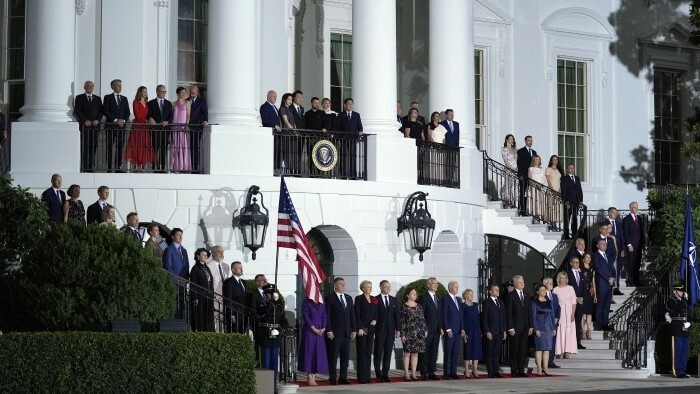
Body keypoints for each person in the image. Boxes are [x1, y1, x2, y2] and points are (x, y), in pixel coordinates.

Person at [256, 283, 290, 394]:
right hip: (265, 336)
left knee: (274, 364)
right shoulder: (261, 305)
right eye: (269, 294)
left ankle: (273, 387)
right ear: (265, 295)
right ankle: (266, 388)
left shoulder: (279, 306)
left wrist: (280, 330)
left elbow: (284, 321)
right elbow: (262, 315)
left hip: (275, 338)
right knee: (265, 364)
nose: (271, 295)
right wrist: (271, 303)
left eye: (272, 293)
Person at [325, 277, 356, 385]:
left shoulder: (348, 298)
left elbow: (352, 315)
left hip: (347, 332)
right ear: (335, 286)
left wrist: (354, 330)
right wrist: (329, 330)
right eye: (341, 284)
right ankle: (332, 377)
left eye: (344, 284)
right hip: (335, 333)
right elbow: (327, 316)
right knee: (333, 356)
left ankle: (343, 377)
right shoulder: (330, 298)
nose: (343, 286)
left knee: (345, 357)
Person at [374, 280, 401, 383]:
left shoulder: (394, 300)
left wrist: (398, 329)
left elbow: (397, 316)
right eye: (386, 287)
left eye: (389, 287)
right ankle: (378, 374)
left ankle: (385, 374)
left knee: (388, 354)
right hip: (379, 331)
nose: (388, 288)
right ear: (381, 287)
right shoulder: (376, 299)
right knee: (378, 353)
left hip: (390, 331)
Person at [506, 275, 533, 377]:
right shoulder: (511, 295)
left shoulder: (527, 295)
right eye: (520, 282)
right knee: (514, 349)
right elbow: (508, 313)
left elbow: (529, 311)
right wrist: (510, 327)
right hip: (515, 328)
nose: (523, 284)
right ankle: (514, 370)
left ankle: (521, 370)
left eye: (523, 282)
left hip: (525, 327)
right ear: (515, 283)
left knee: (522, 350)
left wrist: (531, 326)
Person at [298, 296, 329, 386]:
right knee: (310, 353)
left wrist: (323, 328)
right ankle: (309, 375)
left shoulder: (321, 303)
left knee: (317, 354)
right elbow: (306, 316)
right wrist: (314, 329)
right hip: (310, 332)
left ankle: (314, 375)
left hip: (320, 332)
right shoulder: (306, 302)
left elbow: (324, 316)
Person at [73, 80, 102, 171]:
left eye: (92, 86)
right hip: (84, 127)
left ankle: (90, 166)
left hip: (95, 127)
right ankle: (84, 166)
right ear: (84, 87)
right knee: (85, 146)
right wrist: (84, 120)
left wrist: (97, 120)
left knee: (93, 146)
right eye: (88, 86)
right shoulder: (79, 97)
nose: (90, 88)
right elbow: (77, 111)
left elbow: (101, 111)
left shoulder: (98, 98)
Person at [124, 86, 155, 171]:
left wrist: (149, 120)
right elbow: (137, 115)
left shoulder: (146, 102)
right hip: (138, 126)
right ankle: (137, 166)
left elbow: (147, 115)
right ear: (140, 92)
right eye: (144, 91)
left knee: (144, 145)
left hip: (145, 127)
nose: (145, 93)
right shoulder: (135, 102)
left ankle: (143, 166)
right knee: (137, 145)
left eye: (146, 92)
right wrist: (145, 121)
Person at [102, 79, 130, 172]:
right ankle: (109, 167)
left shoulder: (124, 98)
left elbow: (127, 112)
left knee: (120, 147)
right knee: (109, 147)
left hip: (121, 127)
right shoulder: (107, 97)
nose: (120, 87)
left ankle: (118, 167)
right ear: (113, 87)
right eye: (118, 85)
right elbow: (105, 111)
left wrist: (123, 120)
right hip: (110, 126)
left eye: (121, 85)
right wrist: (115, 120)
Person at [665, 282, 692, 378]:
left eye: (682, 291)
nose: (681, 292)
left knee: (685, 350)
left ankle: (683, 370)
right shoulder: (671, 301)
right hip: (676, 327)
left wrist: (689, 322)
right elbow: (677, 308)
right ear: (675, 291)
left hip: (684, 327)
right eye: (680, 290)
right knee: (678, 350)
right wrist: (684, 299)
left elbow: (689, 312)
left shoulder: (684, 301)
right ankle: (677, 370)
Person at [354, 280, 378, 384]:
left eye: (371, 286)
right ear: (363, 288)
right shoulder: (359, 298)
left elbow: (377, 312)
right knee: (362, 352)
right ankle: (362, 377)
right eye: (368, 287)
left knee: (368, 352)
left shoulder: (374, 299)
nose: (370, 288)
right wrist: (359, 328)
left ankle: (367, 377)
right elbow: (357, 314)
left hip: (371, 328)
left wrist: (375, 319)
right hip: (363, 327)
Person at [400, 287, 426, 382]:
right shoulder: (404, 306)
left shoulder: (419, 306)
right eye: (412, 293)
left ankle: (414, 373)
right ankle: (406, 373)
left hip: (419, 333)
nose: (414, 295)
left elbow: (422, 319)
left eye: (415, 293)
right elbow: (402, 322)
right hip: (408, 333)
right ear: (407, 295)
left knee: (415, 354)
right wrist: (403, 334)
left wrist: (425, 330)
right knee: (407, 353)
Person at [419, 277, 441, 381]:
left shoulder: (438, 298)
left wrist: (441, 327)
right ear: (428, 285)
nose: (436, 285)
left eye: (437, 283)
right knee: (425, 352)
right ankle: (424, 373)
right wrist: (424, 328)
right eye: (434, 283)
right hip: (427, 330)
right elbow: (421, 315)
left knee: (434, 352)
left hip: (437, 330)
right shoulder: (424, 298)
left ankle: (431, 372)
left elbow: (439, 314)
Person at [162, 228, 188, 318]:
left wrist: (185, 280)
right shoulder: (169, 250)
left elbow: (186, 267)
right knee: (174, 306)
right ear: (173, 237)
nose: (180, 237)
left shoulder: (184, 251)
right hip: (173, 283)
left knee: (182, 305)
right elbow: (167, 266)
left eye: (181, 235)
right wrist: (177, 279)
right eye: (178, 235)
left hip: (183, 283)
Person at [482, 283, 506, 378]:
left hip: (500, 331)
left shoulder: (501, 302)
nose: (497, 291)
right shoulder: (487, 302)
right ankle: (490, 371)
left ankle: (496, 371)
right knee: (490, 353)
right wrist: (487, 331)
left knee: (497, 353)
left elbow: (503, 318)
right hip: (491, 331)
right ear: (490, 292)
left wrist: (504, 330)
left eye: (498, 290)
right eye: (495, 290)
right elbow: (484, 318)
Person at [441, 280, 464, 380]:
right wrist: (447, 328)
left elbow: (460, 315)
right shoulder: (445, 299)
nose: (457, 288)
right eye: (455, 287)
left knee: (455, 352)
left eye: (457, 287)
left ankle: (453, 372)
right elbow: (444, 315)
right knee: (448, 352)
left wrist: (462, 328)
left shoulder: (458, 299)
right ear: (450, 287)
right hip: (450, 330)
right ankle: (446, 373)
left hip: (458, 330)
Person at [531, 284, 556, 376]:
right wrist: (536, 328)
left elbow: (552, 315)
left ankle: (545, 367)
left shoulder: (549, 301)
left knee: (547, 348)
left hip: (548, 327)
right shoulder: (534, 302)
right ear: (537, 292)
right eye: (541, 290)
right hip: (540, 327)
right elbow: (533, 317)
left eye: (544, 290)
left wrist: (553, 328)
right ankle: (539, 368)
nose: (543, 291)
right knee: (539, 348)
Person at [147, 84, 173, 172]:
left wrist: (168, 121)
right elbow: (148, 114)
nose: (164, 93)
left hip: (165, 130)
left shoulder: (168, 103)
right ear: (157, 92)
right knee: (155, 148)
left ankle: (162, 167)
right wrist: (150, 118)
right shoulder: (151, 103)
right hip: (155, 130)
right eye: (162, 91)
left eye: (165, 92)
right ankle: (155, 167)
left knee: (164, 148)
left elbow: (171, 116)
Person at [190, 248, 215, 332]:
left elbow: (211, 282)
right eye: (203, 255)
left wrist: (212, 294)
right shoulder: (195, 269)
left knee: (209, 316)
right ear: (198, 256)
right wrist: (195, 297)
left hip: (208, 297)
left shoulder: (207, 268)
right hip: (200, 297)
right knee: (201, 316)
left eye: (206, 255)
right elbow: (193, 284)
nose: (205, 256)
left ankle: (210, 331)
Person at [553, 272, 578, 358]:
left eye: (564, 278)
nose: (563, 280)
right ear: (558, 279)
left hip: (569, 312)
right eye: (561, 278)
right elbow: (554, 304)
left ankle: (567, 351)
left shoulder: (570, 288)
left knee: (568, 331)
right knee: (560, 331)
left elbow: (574, 302)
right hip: (560, 312)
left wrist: (573, 314)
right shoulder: (555, 289)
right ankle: (560, 351)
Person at [207, 245, 230, 332]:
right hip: (215, 296)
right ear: (213, 253)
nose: (222, 254)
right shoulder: (208, 265)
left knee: (223, 320)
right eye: (219, 252)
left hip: (225, 297)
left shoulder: (226, 266)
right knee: (215, 319)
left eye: (222, 252)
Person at [593, 238, 615, 331]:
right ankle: (599, 324)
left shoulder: (608, 256)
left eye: (605, 244)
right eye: (602, 244)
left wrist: (613, 277)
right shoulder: (596, 256)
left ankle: (605, 323)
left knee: (607, 304)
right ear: (598, 246)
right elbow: (598, 270)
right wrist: (607, 278)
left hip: (609, 283)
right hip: (602, 283)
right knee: (600, 304)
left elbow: (612, 268)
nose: (604, 245)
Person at [461, 289, 482, 379]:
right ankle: (466, 370)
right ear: (465, 296)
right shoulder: (462, 306)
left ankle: (475, 370)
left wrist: (480, 331)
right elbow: (461, 319)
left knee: (476, 350)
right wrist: (463, 331)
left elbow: (478, 319)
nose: (472, 296)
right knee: (468, 350)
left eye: (472, 294)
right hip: (467, 330)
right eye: (470, 294)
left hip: (476, 330)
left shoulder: (476, 305)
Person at [222, 261, 248, 334]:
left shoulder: (243, 282)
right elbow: (228, 299)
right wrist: (230, 313)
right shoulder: (229, 282)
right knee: (233, 333)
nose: (242, 269)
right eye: (239, 268)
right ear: (233, 270)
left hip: (243, 313)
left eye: (241, 268)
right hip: (234, 313)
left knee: (242, 333)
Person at [170, 87, 191, 173]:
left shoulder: (187, 103)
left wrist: (186, 125)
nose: (183, 94)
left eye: (184, 92)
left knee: (183, 146)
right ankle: (175, 166)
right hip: (175, 128)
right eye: (181, 92)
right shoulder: (173, 104)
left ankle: (184, 166)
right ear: (178, 93)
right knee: (175, 147)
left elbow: (188, 115)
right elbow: (171, 116)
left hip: (182, 128)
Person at [623, 201, 644, 286]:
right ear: (630, 208)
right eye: (634, 207)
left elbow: (641, 231)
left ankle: (636, 280)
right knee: (631, 263)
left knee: (637, 263)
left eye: (637, 207)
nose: (636, 209)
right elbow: (626, 232)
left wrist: (643, 242)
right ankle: (630, 281)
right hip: (631, 245)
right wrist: (628, 244)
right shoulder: (626, 219)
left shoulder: (639, 218)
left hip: (639, 245)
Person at [567, 256, 586, 349]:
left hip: (580, 302)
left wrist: (581, 297)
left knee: (578, 323)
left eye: (577, 262)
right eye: (574, 262)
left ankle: (577, 342)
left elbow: (584, 288)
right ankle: (570, 342)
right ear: (571, 263)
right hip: (571, 303)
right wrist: (575, 298)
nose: (576, 264)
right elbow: (567, 289)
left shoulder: (581, 274)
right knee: (571, 323)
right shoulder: (567, 274)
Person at [561, 162, 584, 239]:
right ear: (567, 169)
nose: (572, 169)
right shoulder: (564, 178)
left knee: (575, 219)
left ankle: (574, 235)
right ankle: (566, 235)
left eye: (573, 168)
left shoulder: (577, 178)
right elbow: (563, 191)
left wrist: (580, 201)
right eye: (570, 168)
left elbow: (579, 190)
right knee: (567, 219)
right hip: (568, 202)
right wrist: (565, 202)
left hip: (576, 202)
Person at [188, 84, 208, 172]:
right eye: (191, 93)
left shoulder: (202, 101)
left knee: (195, 148)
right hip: (186, 128)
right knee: (185, 147)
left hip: (196, 128)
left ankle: (195, 168)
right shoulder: (186, 101)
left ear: (197, 92)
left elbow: (205, 111)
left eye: (194, 93)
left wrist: (205, 121)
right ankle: (186, 166)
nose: (192, 95)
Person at [543, 277, 561, 369]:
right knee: (546, 342)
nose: (551, 284)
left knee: (553, 342)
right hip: (545, 323)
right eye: (549, 283)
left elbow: (558, 308)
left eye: (552, 283)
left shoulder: (554, 296)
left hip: (554, 323)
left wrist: (557, 317)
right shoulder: (542, 295)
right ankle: (545, 361)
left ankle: (551, 361)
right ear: (545, 284)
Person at [516, 135, 536, 216]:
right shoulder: (521, 151)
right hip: (523, 175)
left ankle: (529, 209)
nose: (530, 142)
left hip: (532, 176)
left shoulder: (534, 152)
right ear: (525, 141)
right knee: (522, 192)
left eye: (531, 140)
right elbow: (519, 163)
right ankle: (522, 209)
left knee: (530, 193)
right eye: (529, 140)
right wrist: (520, 174)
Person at [608, 207, 626, 295]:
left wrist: (622, 249)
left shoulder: (619, 224)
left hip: (618, 251)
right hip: (609, 251)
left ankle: (616, 288)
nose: (615, 214)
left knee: (618, 270)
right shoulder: (605, 223)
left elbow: (622, 237)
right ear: (609, 213)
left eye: (616, 212)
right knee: (611, 270)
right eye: (613, 212)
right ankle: (610, 289)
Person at [579, 253, 596, 339]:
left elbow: (593, 283)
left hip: (590, 293)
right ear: (583, 259)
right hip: (583, 292)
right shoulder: (580, 269)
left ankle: (589, 332)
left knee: (589, 313)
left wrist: (595, 295)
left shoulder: (592, 269)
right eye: (587, 257)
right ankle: (583, 332)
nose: (588, 259)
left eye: (590, 257)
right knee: (583, 314)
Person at [545, 155, 564, 229]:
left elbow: (561, 181)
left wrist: (560, 190)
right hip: (551, 191)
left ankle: (555, 225)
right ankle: (552, 225)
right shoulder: (548, 169)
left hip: (558, 191)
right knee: (551, 207)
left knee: (557, 208)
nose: (555, 161)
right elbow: (548, 180)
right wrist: (552, 190)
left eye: (556, 160)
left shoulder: (559, 170)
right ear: (551, 161)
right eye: (554, 159)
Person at [527, 155, 547, 221]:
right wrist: (536, 185)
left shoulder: (542, 169)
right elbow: (530, 179)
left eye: (539, 159)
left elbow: (544, 179)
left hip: (541, 188)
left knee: (541, 202)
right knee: (534, 201)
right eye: (536, 159)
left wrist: (541, 185)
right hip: (534, 187)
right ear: (534, 160)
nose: (538, 161)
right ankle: (534, 216)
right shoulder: (531, 168)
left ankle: (540, 216)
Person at [501, 134, 518, 205]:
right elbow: (505, 160)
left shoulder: (515, 149)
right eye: (510, 139)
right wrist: (511, 168)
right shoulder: (504, 149)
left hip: (516, 169)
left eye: (512, 139)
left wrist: (516, 168)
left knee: (515, 185)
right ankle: (508, 201)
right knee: (508, 185)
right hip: (509, 169)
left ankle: (514, 202)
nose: (511, 140)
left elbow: (517, 160)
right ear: (507, 140)